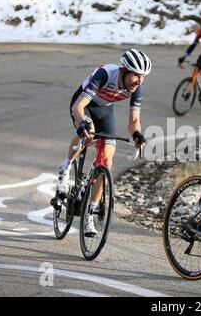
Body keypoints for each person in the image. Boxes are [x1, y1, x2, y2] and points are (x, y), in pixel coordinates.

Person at [55, 48, 151, 237]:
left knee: (107, 161)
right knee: (88, 131)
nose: (139, 81)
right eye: (136, 76)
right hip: (84, 105)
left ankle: (90, 212)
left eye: (143, 77)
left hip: (105, 110)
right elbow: (78, 106)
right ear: (123, 70)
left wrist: (138, 135)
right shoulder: (105, 74)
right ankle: (65, 167)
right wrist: (82, 123)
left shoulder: (137, 87)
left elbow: (133, 122)